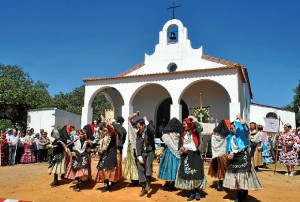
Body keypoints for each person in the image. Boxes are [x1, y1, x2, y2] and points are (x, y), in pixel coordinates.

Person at [223, 119, 262, 202]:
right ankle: (238, 195)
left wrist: (242, 121)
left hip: (242, 159)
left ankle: (244, 191)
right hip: (234, 160)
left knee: (242, 177)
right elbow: (229, 148)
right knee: (236, 177)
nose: (231, 130)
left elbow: (246, 130)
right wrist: (229, 153)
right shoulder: (230, 137)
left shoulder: (242, 136)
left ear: (237, 128)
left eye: (232, 128)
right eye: (230, 128)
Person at [175, 117, 207, 201]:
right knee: (188, 173)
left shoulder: (195, 132)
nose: (183, 125)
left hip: (195, 155)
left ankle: (197, 191)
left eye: (185, 124)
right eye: (183, 124)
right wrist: (182, 149)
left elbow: (200, 128)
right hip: (186, 155)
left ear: (189, 124)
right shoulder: (183, 134)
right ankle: (192, 192)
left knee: (196, 172)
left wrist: (194, 119)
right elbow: (179, 145)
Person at [94, 122, 122, 192]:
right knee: (102, 168)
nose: (104, 130)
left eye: (106, 129)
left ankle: (111, 182)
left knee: (109, 169)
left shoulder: (112, 135)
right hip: (105, 153)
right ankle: (106, 185)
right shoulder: (103, 137)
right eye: (103, 129)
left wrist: (109, 125)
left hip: (112, 153)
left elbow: (114, 132)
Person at [157, 117, 183, 191]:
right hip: (177, 153)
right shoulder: (180, 134)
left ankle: (167, 182)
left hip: (168, 152)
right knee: (174, 168)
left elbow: (165, 140)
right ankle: (173, 184)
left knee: (167, 167)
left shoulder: (166, 133)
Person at [208, 120, 231, 191]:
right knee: (223, 169)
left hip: (216, 155)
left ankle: (220, 184)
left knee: (219, 169)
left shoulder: (215, 134)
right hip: (224, 154)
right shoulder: (227, 134)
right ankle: (221, 185)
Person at [136, 118, 156, 197]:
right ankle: (143, 187)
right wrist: (139, 155)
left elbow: (153, 130)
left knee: (148, 166)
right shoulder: (138, 133)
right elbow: (138, 144)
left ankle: (148, 184)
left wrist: (147, 122)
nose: (138, 129)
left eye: (139, 127)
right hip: (143, 153)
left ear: (143, 125)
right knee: (140, 169)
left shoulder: (149, 131)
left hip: (150, 152)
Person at [122, 112, 139, 187]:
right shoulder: (139, 131)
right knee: (136, 164)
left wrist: (135, 114)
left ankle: (135, 180)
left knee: (132, 165)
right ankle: (137, 179)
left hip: (132, 149)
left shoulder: (132, 130)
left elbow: (128, 119)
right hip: (137, 149)